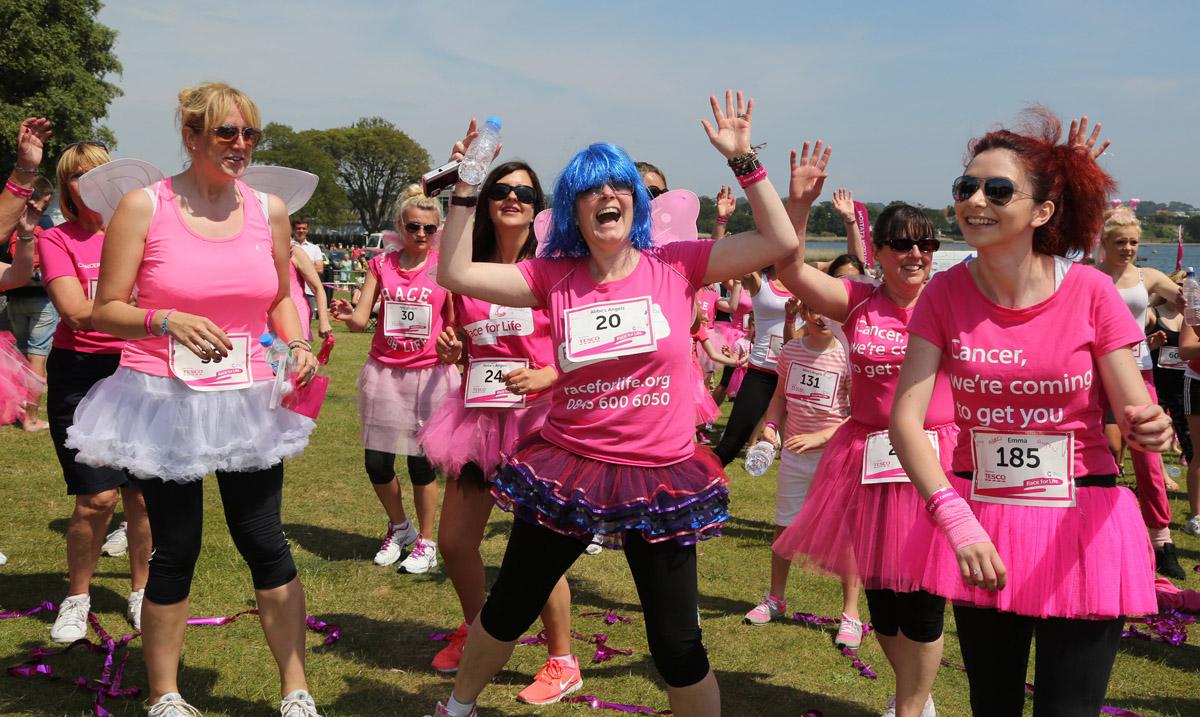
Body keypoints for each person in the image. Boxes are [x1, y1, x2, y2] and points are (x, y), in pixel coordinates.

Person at [425, 91, 799, 717]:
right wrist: (465, 186)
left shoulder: (676, 266)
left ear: (636, 201)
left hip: (660, 473)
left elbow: (780, 242)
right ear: (574, 209)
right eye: (590, 189)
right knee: (511, 606)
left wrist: (743, 163)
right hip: (571, 467)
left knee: (676, 642)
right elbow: (456, 273)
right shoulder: (553, 275)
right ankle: (458, 707)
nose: (607, 196)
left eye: (620, 186)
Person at [891, 112, 1167, 717]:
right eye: (966, 188)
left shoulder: (1092, 291)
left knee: (1068, 709)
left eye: (997, 190)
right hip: (982, 526)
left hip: (1081, 522)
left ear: (1041, 212)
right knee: (993, 706)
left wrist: (1150, 424)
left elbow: (1132, 403)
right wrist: (954, 521)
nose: (975, 202)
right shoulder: (944, 292)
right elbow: (905, 420)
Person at [65, 82, 322, 717]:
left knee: (265, 539)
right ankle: (166, 696)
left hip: (246, 397)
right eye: (225, 133)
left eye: (249, 135)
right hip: (164, 396)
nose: (239, 145)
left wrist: (300, 342)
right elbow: (107, 309)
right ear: (191, 136)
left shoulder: (269, 210)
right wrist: (163, 320)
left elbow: (279, 296)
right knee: (177, 546)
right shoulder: (142, 207)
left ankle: (296, 691)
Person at [771, 162, 951, 715]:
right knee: (885, 604)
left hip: (935, 459)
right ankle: (913, 696)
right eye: (900, 245)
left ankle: (913, 704)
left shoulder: (951, 300)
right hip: (868, 458)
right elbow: (791, 270)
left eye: (924, 245)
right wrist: (798, 204)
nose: (914, 255)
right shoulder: (858, 301)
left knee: (922, 603)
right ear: (881, 252)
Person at [419, 161, 584, 704]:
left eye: (524, 192)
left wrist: (550, 374)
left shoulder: (555, 271)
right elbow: (464, 337)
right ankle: (479, 629)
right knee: (455, 542)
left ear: (539, 207)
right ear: (487, 201)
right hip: (477, 420)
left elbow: (586, 349)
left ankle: (562, 659)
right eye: (502, 190)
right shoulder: (467, 270)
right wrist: (454, 349)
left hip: (540, 423)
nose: (512, 198)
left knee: (534, 552)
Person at [38, 141, 152, 643]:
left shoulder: (142, 235)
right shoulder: (56, 239)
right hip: (81, 372)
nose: (92, 186)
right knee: (97, 496)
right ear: (67, 189)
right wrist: (152, 317)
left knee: (143, 496)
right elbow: (75, 310)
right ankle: (78, 596)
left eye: (100, 175)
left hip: (140, 369)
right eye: (80, 178)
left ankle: (143, 592)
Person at [330, 185, 459, 572]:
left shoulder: (445, 269)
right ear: (400, 226)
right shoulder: (381, 265)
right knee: (377, 463)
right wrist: (345, 312)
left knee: (422, 465)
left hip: (429, 377)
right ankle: (399, 526)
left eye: (429, 228)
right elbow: (360, 318)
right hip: (385, 373)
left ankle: (427, 540)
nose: (421, 234)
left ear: (438, 230)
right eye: (414, 226)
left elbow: (454, 325)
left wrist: (454, 347)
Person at [748, 301, 859, 644]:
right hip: (796, 454)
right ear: (804, 313)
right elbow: (780, 397)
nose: (821, 317)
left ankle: (851, 615)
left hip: (836, 456)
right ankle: (776, 598)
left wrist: (822, 437)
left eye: (828, 312)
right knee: (784, 525)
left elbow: (859, 413)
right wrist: (770, 427)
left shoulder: (848, 356)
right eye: (814, 311)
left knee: (847, 535)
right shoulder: (791, 350)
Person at [1094, 202, 1185, 577]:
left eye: (1133, 242)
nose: (1127, 248)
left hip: (1138, 375)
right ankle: (1097, 533)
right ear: (1104, 242)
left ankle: (1162, 541)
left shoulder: (1147, 277)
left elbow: (1187, 300)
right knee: (1097, 454)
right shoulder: (1088, 277)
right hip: (1094, 376)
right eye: (1120, 242)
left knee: (1149, 461)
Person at [3, 172, 57, 431]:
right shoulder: (43, 222)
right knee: (38, 359)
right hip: (40, 300)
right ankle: (30, 418)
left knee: (19, 358)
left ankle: (15, 408)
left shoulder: (6, 224)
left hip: (13, 298)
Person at [291, 219, 324, 315]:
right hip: (292, 292)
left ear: (307, 230)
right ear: (294, 229)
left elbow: (320, 269)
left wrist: (297, 266)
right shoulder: (287, 245)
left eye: (304, 228)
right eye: (298, 228)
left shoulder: (315, 248)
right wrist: (308, 267)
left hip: (309, 291)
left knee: (308, 321)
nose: (301, 230)